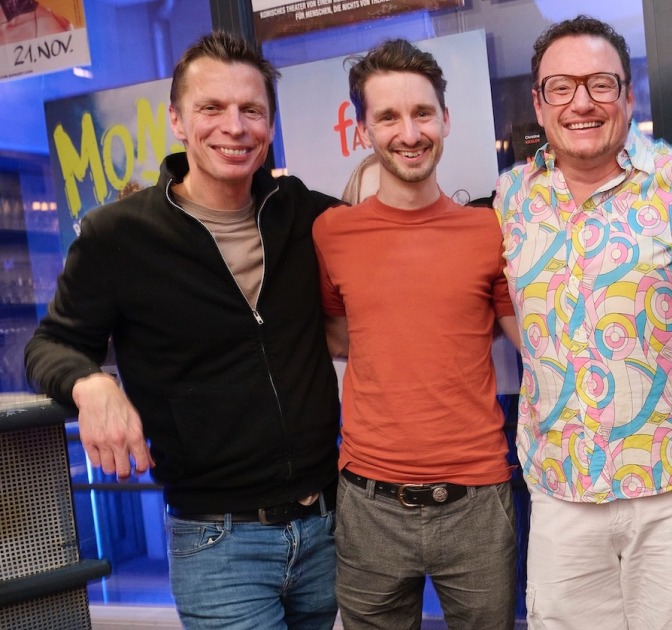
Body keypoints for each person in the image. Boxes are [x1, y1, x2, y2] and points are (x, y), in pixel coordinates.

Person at [25, 31, 341, 630]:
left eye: (251, 110)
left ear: (270, 125)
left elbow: (392, 227)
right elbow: (49, 345)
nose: (234, 127)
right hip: (217, 542)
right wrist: (91, 384)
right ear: (177, 119)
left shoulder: (302, 212)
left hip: (326, 524)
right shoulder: (118, 235)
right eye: (211, 107)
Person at [493, 15, 672, 630]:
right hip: (559, 489)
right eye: (561, 87)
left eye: (600, 83)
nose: (582, 103)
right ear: (539, 104)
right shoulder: (510, 198)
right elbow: (498, 299)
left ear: (627, 94)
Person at [313, 38, 519, 629]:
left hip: (476, 499)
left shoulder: (488, 230)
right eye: (388, 117)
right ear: (363, 130)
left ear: (446, 119)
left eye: (423, 113)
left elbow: (528, 339)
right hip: (369, 502)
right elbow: (341, 336)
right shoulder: (331, 233)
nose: (409, 132)